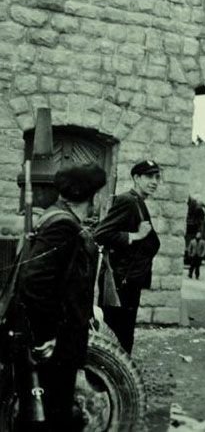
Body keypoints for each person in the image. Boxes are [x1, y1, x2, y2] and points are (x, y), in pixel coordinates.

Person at [17, 163, 107, 429]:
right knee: (51, 416)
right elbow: (34, 281)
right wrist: (45, 335)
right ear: (91, 196)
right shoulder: (63, 226)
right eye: (99, 193)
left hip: (59, 340)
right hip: (55, 346)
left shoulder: (56, 216)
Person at [95, 160, 162, 354]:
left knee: (122, 336)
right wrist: (134, 236)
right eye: (149, 176)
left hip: (127, 281)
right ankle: (112, 380)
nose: (155, 182)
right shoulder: (128, 201)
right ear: (136, 178)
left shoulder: (138, 202)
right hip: (119, 283)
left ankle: (116, 378)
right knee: (117, 337)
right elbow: (100, 234)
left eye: (157, 177)